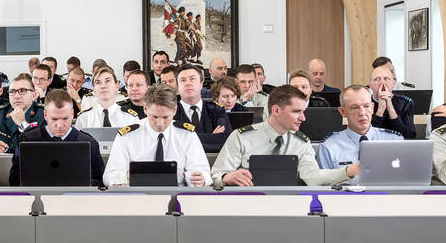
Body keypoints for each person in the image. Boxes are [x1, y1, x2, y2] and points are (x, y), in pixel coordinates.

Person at [211, 85, 359, 186]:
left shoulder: (301, 142)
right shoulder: (241, 137)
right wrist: (226, 177)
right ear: (276, 110)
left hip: (289, 206)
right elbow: (216, 175)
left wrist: (348, 172)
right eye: (296, 111)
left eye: (303, 112)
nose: (303, 118)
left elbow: (313, 177)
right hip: (247, 206)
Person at [103, 84, 211, 187]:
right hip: (138, 198)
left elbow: (204, 174)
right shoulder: (127, 137)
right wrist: (130, 176)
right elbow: (109, 177)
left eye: (165, 117)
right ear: (145, 109)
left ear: (175, 110)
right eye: (154, 117)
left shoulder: (187, 135)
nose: (160, 123)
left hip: (176, 196)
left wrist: (200, 179)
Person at [13, 90, 105, 186]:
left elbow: (99, 181)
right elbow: (15, 180)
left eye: (65, 118)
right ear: (45, 115)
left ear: (72, 114)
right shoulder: (27, 140)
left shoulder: (90, 143)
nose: (60, 125)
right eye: (54, 119)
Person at [317, 85, 404, 169]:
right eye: (355, 107)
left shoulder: (394, 141)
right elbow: (325, 183)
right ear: (343, 112)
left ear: (372, 108)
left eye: (366, 106)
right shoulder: (329, 147)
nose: (362, 113)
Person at [173, 64, 230, 152]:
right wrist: (211, 137)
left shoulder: (216, 110)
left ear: (201, 83)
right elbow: (172, 144)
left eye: (192, 79)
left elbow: (225, 141)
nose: (188, 83)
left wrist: (185, 139)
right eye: (183, 80)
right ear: (178, 86)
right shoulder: (170, 112)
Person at [0, 73, 45, 154]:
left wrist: (23, 124)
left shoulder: (44, 114)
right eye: (12, 92)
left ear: (33, 95)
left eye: (22, 91)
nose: (16, 96)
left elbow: (45, 148)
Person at [370, 65, 416, 138]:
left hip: (399, 147)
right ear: (370, 85)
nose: (382, 83)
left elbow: (409, 136)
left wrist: (390, 109)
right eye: (377, 79)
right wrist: (380, 110)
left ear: (393, 83)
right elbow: (366, 136)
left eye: (386, 79)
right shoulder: (364, 103)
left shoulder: (405, 103)